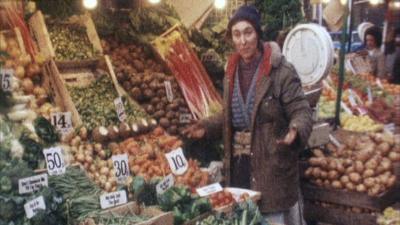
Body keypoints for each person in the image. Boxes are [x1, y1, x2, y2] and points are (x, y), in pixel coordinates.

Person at [183, 5, 312, 225]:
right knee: (244, 218)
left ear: (258, 33)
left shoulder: (280, 71)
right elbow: (230, 114)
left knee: (270, 219)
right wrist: (207, 126)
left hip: (271, 165)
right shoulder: (230, 71)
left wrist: (295, 129)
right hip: (240, 166)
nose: (243, 41)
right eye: (237, 34)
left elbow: (301, 109)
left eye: (248, 32)